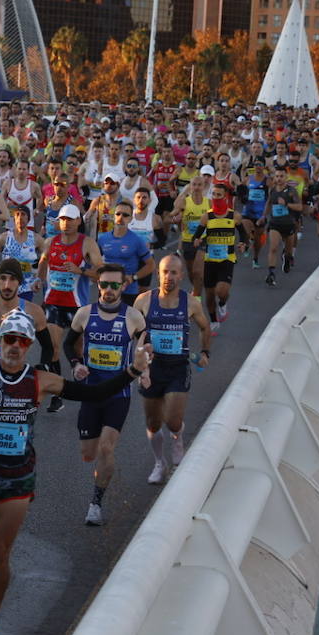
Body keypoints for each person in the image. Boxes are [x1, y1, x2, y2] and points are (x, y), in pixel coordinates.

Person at [0, 308, 152, 635]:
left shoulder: (40, 380)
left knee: (0, 554)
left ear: (29, 345)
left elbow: (92, 393)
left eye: (21, 341)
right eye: (9, 339)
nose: (14, 346)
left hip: (18, 479)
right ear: (0, 341)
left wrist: (133, 370)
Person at [65, 264, 148, 526]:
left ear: (123, 286)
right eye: (104, 285)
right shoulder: (84, 314)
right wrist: (77, 364)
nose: (109, 290)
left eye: (115, 285)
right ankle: (99, 467)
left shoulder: (133, 317)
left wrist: (145, 369)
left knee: (106, 447)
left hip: (118, 393)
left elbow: (146, 345)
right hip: (91, 392)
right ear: (97, 285)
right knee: (88, 454)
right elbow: (68, 343)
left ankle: (95, 503)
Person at [134, 255, 213, 483]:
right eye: (165, 272)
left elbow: (205, 327)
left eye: (174, 272)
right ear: (158, 274)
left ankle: (177, 441)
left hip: (178, 367)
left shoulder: (191, 302)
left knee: (173, 421)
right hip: (151, 368)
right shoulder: (144, 301)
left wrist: (205, 352)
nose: (169, 277)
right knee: (153, 422)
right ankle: (159, 463)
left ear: (182, 275)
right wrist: (139, 358)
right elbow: (133, 331)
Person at [38, 203, 102, 413]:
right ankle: (58, 395)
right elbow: (43, 262)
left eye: (70, 219)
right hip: (54, 303)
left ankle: (84, 386)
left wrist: (80, 271)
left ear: (78, 221)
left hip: (77, 306)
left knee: (78, 349)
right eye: (62, 219)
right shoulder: (51, 242)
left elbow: (101, 272)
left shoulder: (87, 244)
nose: (65, 224)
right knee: (54, 348)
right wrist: (40, 283)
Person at [196, 182, 244, 327]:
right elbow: (197, 236)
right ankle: (213, 320)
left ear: (225, 197)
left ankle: (223, 303)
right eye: (214, 194)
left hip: (227, 258)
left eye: (219, 195)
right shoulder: (206, 217)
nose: (216, 197)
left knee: (221, 291)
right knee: (210, 296)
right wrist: (197, 241)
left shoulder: (234, 216)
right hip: (210, 260)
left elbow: (243, 234)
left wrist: (243, 243)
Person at [96, 203, 154, 306]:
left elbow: (151, 265)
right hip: (106, 290)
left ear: (131, 219)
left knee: (126, 321)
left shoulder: (137, 240)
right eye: (118, 214)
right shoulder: (103, 239)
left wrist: (133, 278)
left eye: (125, 215)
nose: (121, 217)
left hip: (128, 291)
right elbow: (94, 261)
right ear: (113, 216)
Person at [263, 166, 303, 285]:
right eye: (277, 176)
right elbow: (269, 203)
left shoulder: (291, 191)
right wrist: (263, 216)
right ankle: (271, 273)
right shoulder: (273, 190)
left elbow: (299, 207)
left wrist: (286, 204)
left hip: (289, 224)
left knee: (289, 252)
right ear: (274, 178)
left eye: (281, 176)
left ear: (286, 178)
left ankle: (287, 258)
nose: (279, 178)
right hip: (275, 223)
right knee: (273, 247)